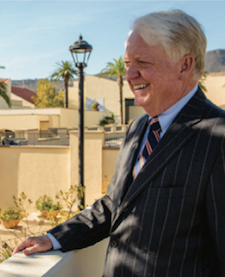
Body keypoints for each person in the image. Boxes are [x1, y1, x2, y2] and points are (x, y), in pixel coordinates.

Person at [13, 10, 225, 276]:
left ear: (184, 65)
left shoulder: (218, 137)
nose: (130, 74)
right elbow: (115, 205)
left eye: (142, 62)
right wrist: (56, 238)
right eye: (126, 63)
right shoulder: (137, 128)